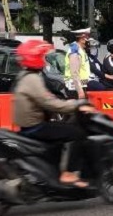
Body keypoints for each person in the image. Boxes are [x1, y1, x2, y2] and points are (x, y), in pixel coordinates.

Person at [12, 39, 97, 188]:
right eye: (43, 57)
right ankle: (69, 173)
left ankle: (52, 173)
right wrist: (75, 105)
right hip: (35, 126)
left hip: (30, 124)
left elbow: (47, 98)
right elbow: (50, 103)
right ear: (35, 58)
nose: (45, 60)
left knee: (59, 134)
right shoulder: (32, 79)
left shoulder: (25, 76)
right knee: (77, 133)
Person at [64, 28, 92, 99]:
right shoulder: (75, 51)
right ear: (82, 39)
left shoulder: (81, 50)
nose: (89, 40)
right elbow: (74, 73)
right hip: (74, 88)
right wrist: (80, 91)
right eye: (87, 37)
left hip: (81, 86)